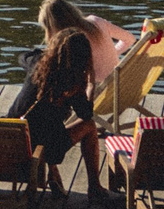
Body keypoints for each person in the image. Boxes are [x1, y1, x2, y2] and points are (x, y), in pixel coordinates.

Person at [10, 28, 104, 195]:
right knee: (88, 126)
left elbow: (22, 56)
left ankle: (53, 173)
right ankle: (94, 186)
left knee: (45, 124)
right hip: (44, 149)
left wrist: (44, 53)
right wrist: (90, 87)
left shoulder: (36, 64)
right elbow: (85, 114)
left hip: (11, 142)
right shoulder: (73, 82)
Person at [36, 0, 133, 93]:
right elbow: (130, 39)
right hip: (119, 84)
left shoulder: (68, 41)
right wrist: (110, 53)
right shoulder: (97, 21)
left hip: (96, 92)